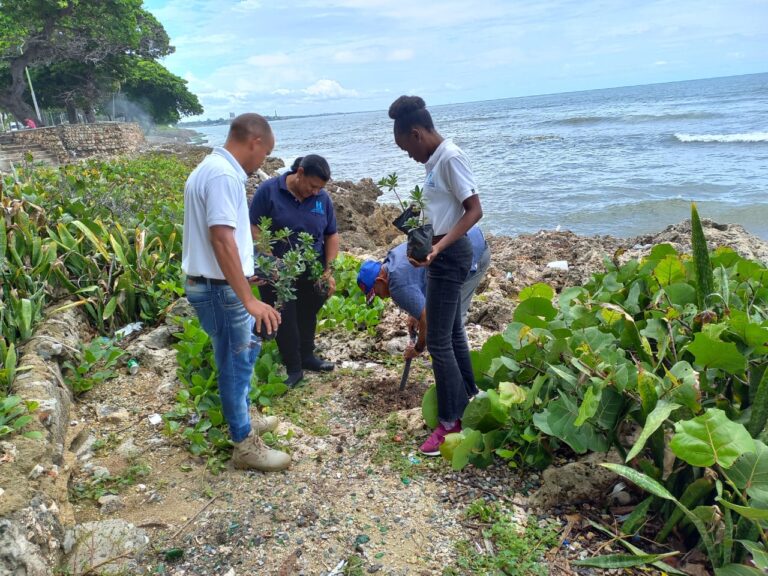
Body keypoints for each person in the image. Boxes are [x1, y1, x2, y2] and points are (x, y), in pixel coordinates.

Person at [182, 113, 291, 472]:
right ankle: (244, 444)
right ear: (254, 142)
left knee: (236, 357)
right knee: (235, 361)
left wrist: (245, 275)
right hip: (219, 289)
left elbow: (222, 241)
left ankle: (242, 415)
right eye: (266, 153)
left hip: (216, 283)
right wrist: (247, 298)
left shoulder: (209, 168)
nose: (263, 162)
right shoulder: (225, 175)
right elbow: (221, 237)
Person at [387, 95, 484, 456]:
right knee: (453, 331)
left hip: (451, 255)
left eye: (405, 147)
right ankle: (471, 395)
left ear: (417, 133)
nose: (407, 155)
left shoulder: (450, 157)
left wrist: (438, 249)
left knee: (439, 341)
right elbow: (442, 210)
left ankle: (450, 423)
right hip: (439, 254)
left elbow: (474, 210)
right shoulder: (434, 162)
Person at [249, 154, 339, 388]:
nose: (315, 192)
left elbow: (332, 234)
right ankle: (293, 368)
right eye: (312, 185)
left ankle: (307, 356)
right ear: (299, 173)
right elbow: (254, 228)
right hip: (277, 271)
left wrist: (328, 271)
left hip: (312, 267)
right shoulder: (269, 191)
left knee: (308, 311)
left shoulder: (322, 199)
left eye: (320, 188)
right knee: (284, 316)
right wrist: (270, 261)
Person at [356, 226, 490, 357]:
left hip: (472, 254)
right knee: (446, 321)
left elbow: (427, 317)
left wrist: (418, 348)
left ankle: (459, 369)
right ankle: (454, 366)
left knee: (450, 322)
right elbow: (419, 278)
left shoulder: (396, 287)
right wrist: (415, 313)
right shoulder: (391, 259)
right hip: (467, 238)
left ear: (380, 280)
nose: (382, 298)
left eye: (377, 293)